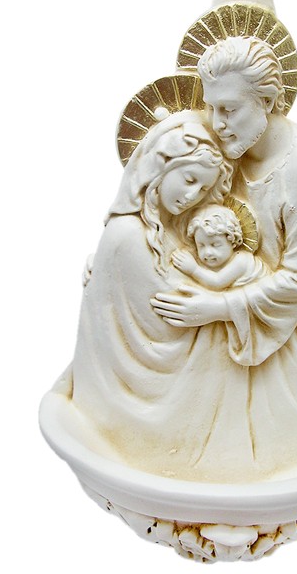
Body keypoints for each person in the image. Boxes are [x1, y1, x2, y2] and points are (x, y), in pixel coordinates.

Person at [151, 35, 297, 467]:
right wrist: (124, 256)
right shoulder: (227, 152)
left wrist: (217, 308)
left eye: (229, 109)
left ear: (267, 101)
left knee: (238, 433)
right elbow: (179, 219)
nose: (217, 122)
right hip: (234, 302)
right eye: (211, 108)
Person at [69, 112, 256, 478]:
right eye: (189, 180)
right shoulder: (128, 233)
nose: (191, 197)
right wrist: (234, 296)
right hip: (147, 384)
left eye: (202, 190)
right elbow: (169, 309)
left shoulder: (168, 229)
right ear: (160, 165)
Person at [171, 203, 268, 290]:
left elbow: (217, 282)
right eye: (201, 246)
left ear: (232, 241)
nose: (208, 252)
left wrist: (194, 269)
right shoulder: (218, 262)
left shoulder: (242, 260)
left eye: (215, 245)